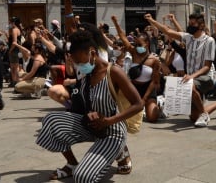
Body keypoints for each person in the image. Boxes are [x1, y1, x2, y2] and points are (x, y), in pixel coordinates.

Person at [36, 30, 143, 182]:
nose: (79, 65)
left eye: (80, 61)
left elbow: (139, 104)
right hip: (92, 126)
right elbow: (80, 103)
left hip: (112, 130)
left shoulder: (113, 72)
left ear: (92, 53)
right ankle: (72, 164)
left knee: (83, 177)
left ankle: (120, 150)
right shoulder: (87, 75)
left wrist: (110, 120)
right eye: (76, 62)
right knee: (51, 120)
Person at [145, 13, 216, 127]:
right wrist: (152, 21)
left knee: (189, 84)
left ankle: (204, 114)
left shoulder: (210, 40)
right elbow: (168, 32)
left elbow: (207, 66)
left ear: (201, 25)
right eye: (189, 23)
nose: (190, 26)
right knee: (193, 117)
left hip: (206, 77)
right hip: (192, 78)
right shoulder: (188, 37)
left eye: (193, 24)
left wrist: (192, 77)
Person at [112, 15, 162, 123]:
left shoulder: (154, 60)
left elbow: (154, 81)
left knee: (152, 118)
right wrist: (116, 22)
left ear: (147, 44)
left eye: (140, 44)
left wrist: (144, 99)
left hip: (147, 89)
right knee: (124, 116)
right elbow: (122, 37)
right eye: (136, 44)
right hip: (133, 88)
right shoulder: (133, 52)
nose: (137, 46)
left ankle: (159, 106)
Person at [8, 16, 22, 88]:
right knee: (16, 67)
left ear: (13, 23)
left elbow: (14, 42)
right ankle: (16, 83)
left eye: (10, 22)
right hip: (17, 50)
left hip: (14, 51)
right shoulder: (18, 29)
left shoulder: (14, 30)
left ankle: (15, 83)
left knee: (14, 68)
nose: (9, 23)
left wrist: (10, 50)